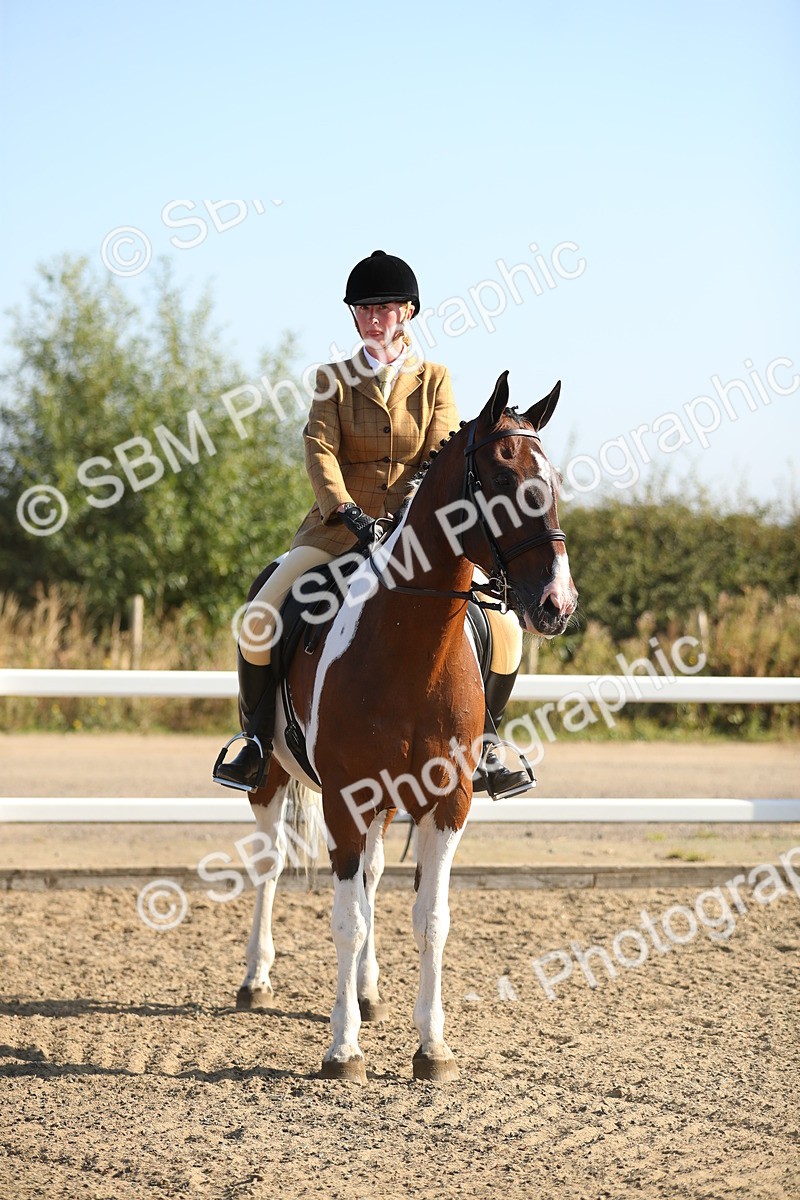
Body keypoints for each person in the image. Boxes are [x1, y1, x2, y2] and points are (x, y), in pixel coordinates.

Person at [213, 250, 531, 798]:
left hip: (419, 537)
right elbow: (319, 448)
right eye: (363, 309)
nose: (373, 317)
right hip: (337, 532)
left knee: (504, 628)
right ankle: (255, 742)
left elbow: (440, 455)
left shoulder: (435, 379)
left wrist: (407, 512)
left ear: (408, 311)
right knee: (262, 613)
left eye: (384, 307)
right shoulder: (331, 379)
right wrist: (346, 510)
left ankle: (489, 742)